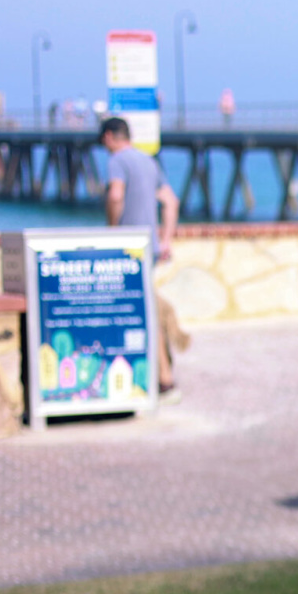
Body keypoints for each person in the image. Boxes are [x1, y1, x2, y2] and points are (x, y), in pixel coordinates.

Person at [100, 117, 180, 395]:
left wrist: (111, 231)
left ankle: (163, 380)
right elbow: (171, 202)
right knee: (145, 308)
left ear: (109, 137)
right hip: (151, 248)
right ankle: (153, 375)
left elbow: (115, 196)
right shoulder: (149, 161)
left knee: (136, 312)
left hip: (127, 247)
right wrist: (165, 240)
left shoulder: (117, 161)